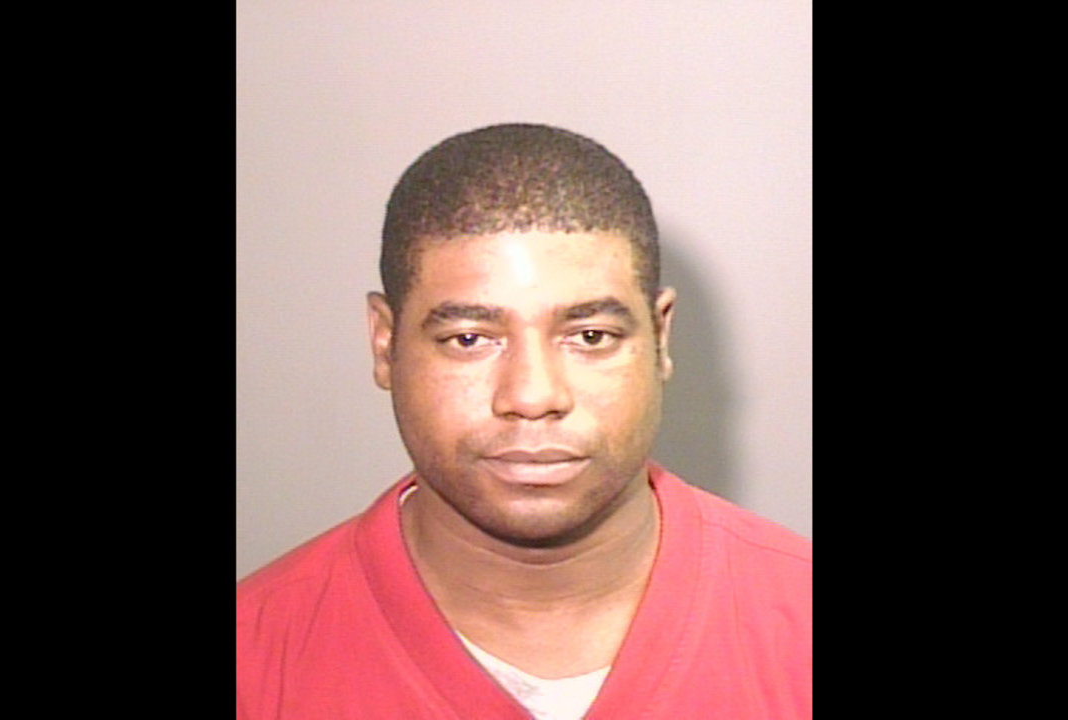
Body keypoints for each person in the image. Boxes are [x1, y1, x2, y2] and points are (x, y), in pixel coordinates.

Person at [236, 123, 811, 719]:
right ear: (386, 345)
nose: (533, 396)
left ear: (660, 337)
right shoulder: (254, 665)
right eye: (469, 339)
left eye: (591, 336)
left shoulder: (799, 625)